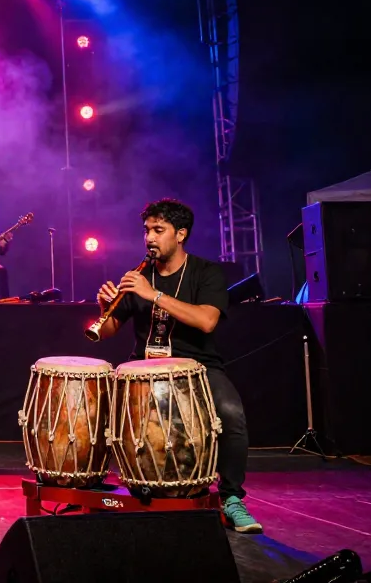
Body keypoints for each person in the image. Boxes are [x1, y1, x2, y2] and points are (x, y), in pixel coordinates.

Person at [94, 198, 261, 534]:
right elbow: (108, 330)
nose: (149, 238)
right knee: (98, 406)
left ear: (181, 234)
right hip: (143, 369)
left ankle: (231, 497)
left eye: (159, 230)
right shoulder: (139, 276)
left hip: (197, 367)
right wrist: (104, 308)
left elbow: (207, 321)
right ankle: (97, 484)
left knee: (231, 413)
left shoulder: (206, 272)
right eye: (146, 230)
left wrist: (153, 295)